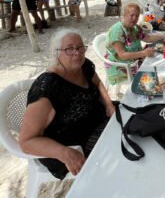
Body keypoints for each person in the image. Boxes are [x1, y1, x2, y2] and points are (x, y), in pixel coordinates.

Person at [19, 28, 115, 179]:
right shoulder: (48, 87)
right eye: (69, 49)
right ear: (56, 53)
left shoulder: (84, 65)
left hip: (97, 120)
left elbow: (97, 84)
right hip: (71, 144)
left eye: (80, 47)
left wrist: (109, 105)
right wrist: (63, 152)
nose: (77, 53)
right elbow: (26, 141)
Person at [104, 3, 165, 85]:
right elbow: (122, 55)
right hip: (120, 67)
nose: (134, 18)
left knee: (161, 67)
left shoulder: (135, 28)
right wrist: (143, 53)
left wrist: (163, 36)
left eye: (137, 16)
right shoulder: (118, 30)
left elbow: (147, 38)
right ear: (124, 15)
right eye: (131, 15)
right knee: (153, 78)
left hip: (134, 61)